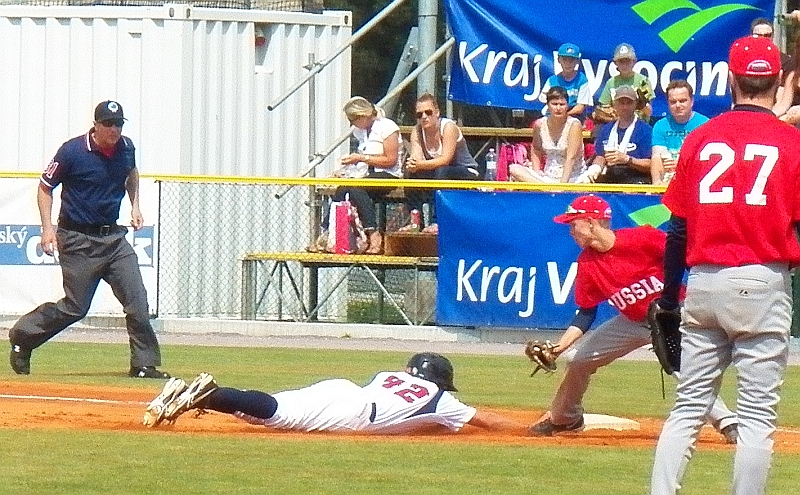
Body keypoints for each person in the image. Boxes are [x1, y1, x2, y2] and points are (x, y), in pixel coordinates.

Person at [650, 36, 800, 495]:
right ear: (776, 85)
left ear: (731, 80)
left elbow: (677, 229)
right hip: (762, 276)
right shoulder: (791, 141)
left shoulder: (699, 138)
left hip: (705, 281)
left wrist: (668, 295)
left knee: (689, 408)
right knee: (756, 419)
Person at [527, 195, 738, 444]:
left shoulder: (643, 239)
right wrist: (560, 347)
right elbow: (586, 312)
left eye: (574, 224)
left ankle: (727, 422)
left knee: (684, 369)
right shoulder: (587, 262)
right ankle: (565, 418)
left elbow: (685, 254)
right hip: (631, 322)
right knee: (579, 360)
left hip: (670, 316)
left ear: (592, 222)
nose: (571, 230)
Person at [8, 101, 169, 379]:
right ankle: (24, 335)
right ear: (95, 125)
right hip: (78, 239)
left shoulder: (127, 148)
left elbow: (131, 173)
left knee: (138, 301)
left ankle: (143, 364)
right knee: (75, 307)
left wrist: (136, 205)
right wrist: (47, 228)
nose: (115, 129)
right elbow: (45, 188)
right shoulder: (72, 151)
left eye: (119, 123)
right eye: (108, 124)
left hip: (114, 240)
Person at [143, 352, 524, 435]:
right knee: (276, 416)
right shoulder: (442, 400)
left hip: (344, 388)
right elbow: (486, 420)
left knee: (276, 408)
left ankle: (210, 396)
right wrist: (530, 431)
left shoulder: (391, 374)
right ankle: (207, 395)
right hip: (355, 412)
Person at [312, 97, 402, 254]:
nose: (351, 124)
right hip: (366, 175)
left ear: (362, 116)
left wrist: (361, 158)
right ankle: (329, 233)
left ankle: (373, 234)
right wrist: (344, 172)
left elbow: (390, 160)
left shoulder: (387, 127)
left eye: (352, 120)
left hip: (388, 174)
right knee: (342, 189)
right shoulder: (360, 132)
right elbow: (361, 163)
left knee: (356, 187)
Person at [404, 93, 480, 233]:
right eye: (419, 115)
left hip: (465, 170)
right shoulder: (417, 131)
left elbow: (446, 159)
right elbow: (417, 156)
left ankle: (437, 220)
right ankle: (415, 220)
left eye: (428, 112)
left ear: (437, 113)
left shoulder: (448, 127)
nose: (424, 117)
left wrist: (419, 164)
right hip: (439, 173)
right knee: (410, 172)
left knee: (442, 170)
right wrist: (413, 164)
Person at [510, 86, 585, 183]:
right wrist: (537, 172)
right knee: (514, 169)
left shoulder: (574, 124)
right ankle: (546, 188)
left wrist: (562, 186)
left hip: (573, 177)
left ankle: (551, 190)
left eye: (562, 104)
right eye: (554, 104)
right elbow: (536, 149)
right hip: (548, 177)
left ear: (567, 106)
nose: (558, 108)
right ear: (548, 105)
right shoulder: (539, 124)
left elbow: (571, 157)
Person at [582, 85, 653, 184]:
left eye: (629, 103)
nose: (625, 107)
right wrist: (595, 169)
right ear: (614, 104)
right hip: (611, 177)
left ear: (636, 104)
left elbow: (651, 164)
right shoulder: (606, 129)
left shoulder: (645, 130)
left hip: (636, 179)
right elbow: (600, 156)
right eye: (621, 103)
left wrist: (627, 160)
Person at [650, 80, 708, 185]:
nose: (678, 105)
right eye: (673, 102)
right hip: (668, 179)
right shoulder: (660, 126)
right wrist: (657, 185)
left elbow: (707, 160)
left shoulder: (705, 124)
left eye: (682, 101)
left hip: (695, 180)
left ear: (692, 101)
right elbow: (657, 157)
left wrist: (682, 165)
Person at [593, 43, 655, 125]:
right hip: (616, 124)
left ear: (634, 61)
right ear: (615, 63)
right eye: (621, 61)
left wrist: (642, 105)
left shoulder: (643, 81)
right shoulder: (611, 82)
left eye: (628, 61)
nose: (624, 65)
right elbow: (604, 108)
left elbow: (649, 112)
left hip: (639, 124)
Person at [538, 43, 593, 121]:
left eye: (571, 60)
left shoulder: (582, 79)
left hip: (574, 116)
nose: (568, 63)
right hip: (553, 115)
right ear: (558, 60)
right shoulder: (552, 80)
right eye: (564, 59)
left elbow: (580, 108)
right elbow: (545, 101)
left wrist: (564, 115)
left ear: (577, 61)